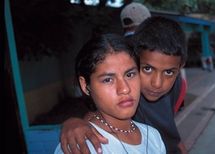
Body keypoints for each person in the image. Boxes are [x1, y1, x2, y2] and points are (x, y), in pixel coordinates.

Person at [60, 16, 188, 154]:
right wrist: (74, 122)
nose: (157, 84)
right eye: (147, 69)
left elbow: (170, 128)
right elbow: (101, 107)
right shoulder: (94, 145)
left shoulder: (175, 86)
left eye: (169, 72)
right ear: (136, 61)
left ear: (179, 68)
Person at [55, 33, 166, 154]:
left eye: (130, 75)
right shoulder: (81, 147)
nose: (124, 89)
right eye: (108, 80)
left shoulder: (153, 136)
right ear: (85, 85)